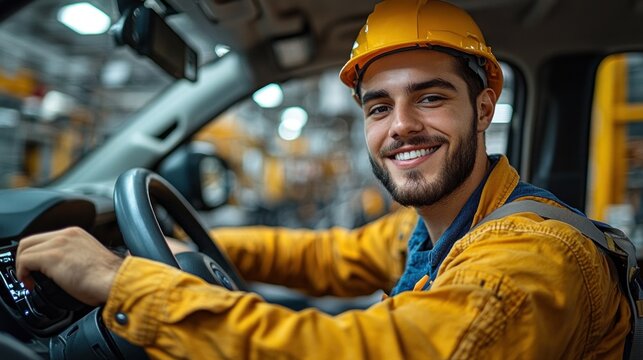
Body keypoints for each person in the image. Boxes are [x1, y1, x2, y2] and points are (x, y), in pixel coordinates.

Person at [16, 0, 631, 358]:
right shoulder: (444, 227)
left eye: (431, 98)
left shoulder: (531, 260)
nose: (402, 128)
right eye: (379, 107)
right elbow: (328, 257)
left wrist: (126, 285)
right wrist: (189, 248)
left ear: (482, 107)